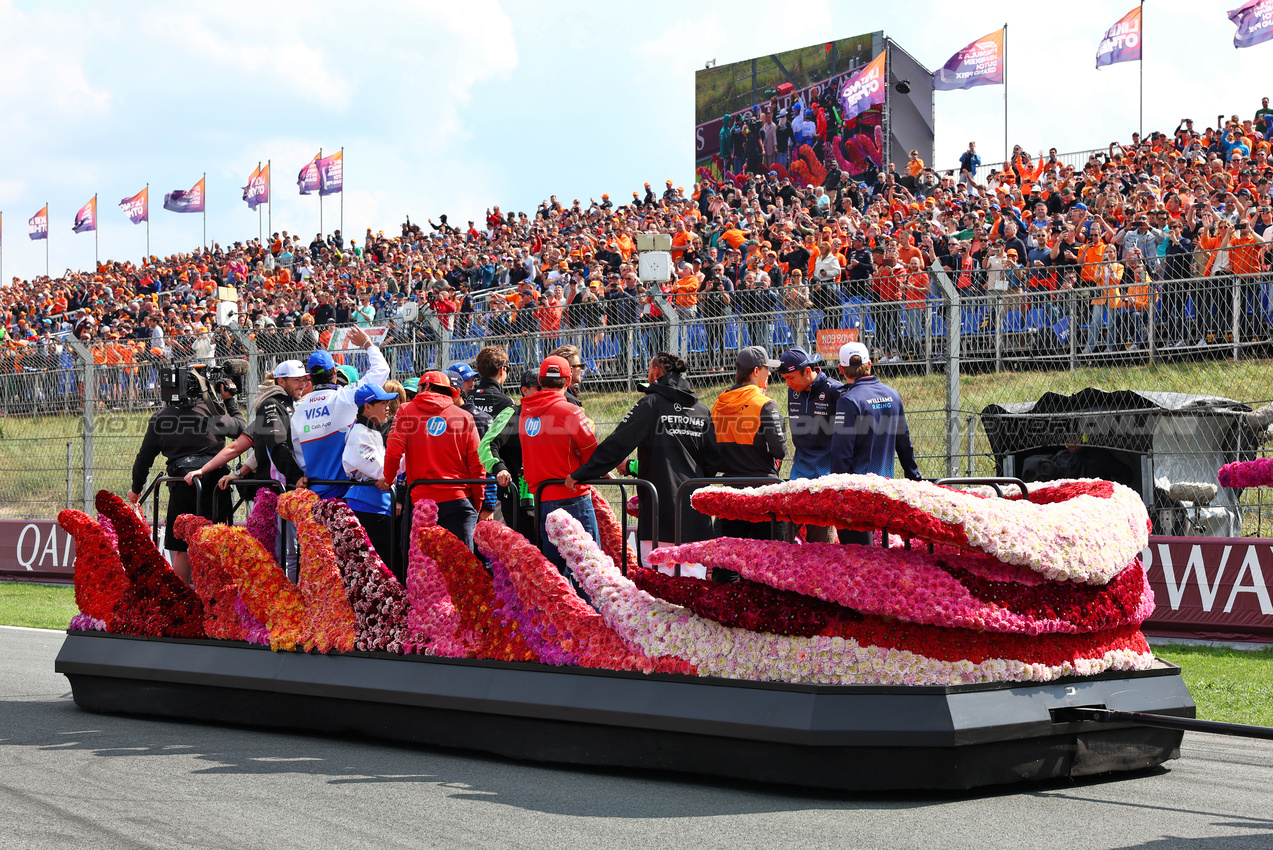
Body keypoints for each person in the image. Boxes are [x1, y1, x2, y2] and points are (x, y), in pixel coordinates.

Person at [566, 352, 719, 573]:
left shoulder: (651, 403)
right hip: (695, 514)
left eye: (649, 369)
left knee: (660, 592)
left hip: (660, 514)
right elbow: (712, 460)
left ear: (656, 372)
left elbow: (618, 443)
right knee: (694, 589)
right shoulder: (701, 409)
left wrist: (583, 472)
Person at [128, 365, 244, 583]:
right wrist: (229, 400)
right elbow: (240, 427)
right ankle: (216, 598)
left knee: (180, 546)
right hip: (214, 486)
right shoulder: (211, 414)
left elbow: (144, 458)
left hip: (181, 485)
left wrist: (136, 488)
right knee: (217, 541)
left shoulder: (160, 418)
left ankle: (182, 601)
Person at [381, 370, 485, 551]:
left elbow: (393, 453)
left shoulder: (406, 410)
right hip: (459, 500)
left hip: (422, 503)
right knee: (463, 571)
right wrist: (477, 501)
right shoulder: (465, 416)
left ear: (426, 386)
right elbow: (478, 464)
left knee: (420, 571)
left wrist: (388, 480)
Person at [830, 341, 922, 545]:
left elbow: (841, 452)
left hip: (857, 494)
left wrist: (838, 491)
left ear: (841, 369)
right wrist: (915, 478)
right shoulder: (893, 395)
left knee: (860, 560)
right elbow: (904, 443)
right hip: (886, 490)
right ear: (869, 364)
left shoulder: (848, 401)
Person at [520, 355, 599, 578]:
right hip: (573, 496)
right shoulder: (570, 411)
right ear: (567, 382)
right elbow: (593, 454)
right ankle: (591, 614)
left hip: (543, 498)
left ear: (541, 380)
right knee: (589, 567)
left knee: (557, 572)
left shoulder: (525, 412)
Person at [291, 325, 389, 499]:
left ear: (310, 379)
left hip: (315, 493)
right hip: (346, 493)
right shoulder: (345, 396)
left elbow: (300, 457)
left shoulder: (298, 411)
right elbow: (381, 371)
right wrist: (367, 343)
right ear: (334, 372)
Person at [710, 346, 787, 547]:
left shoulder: (718, 404)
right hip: (762, 490)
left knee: (729, 561)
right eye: (766, 368)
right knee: (766, 561)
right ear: (755, 371)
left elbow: (712, 451)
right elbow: (780, 450)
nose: (769, 373)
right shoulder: (764, 404)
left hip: (729, 491)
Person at [777, 346, 843, 543]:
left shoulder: (835, 391)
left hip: (826, 476)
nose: (788, 384)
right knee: (783, 538)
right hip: (799, 473)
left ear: (808, 371)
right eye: (785, 379)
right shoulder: (793, 391)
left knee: (821, 544)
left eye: (791, 378)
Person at [343, 383, 401, 579]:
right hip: (369, 507)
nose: (388, 408)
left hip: (377, 506)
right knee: (380, 570)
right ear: (367, 406)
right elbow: (382, 472)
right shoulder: (359, 433)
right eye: (383, 403)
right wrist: (410, 455)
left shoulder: (370, 431)